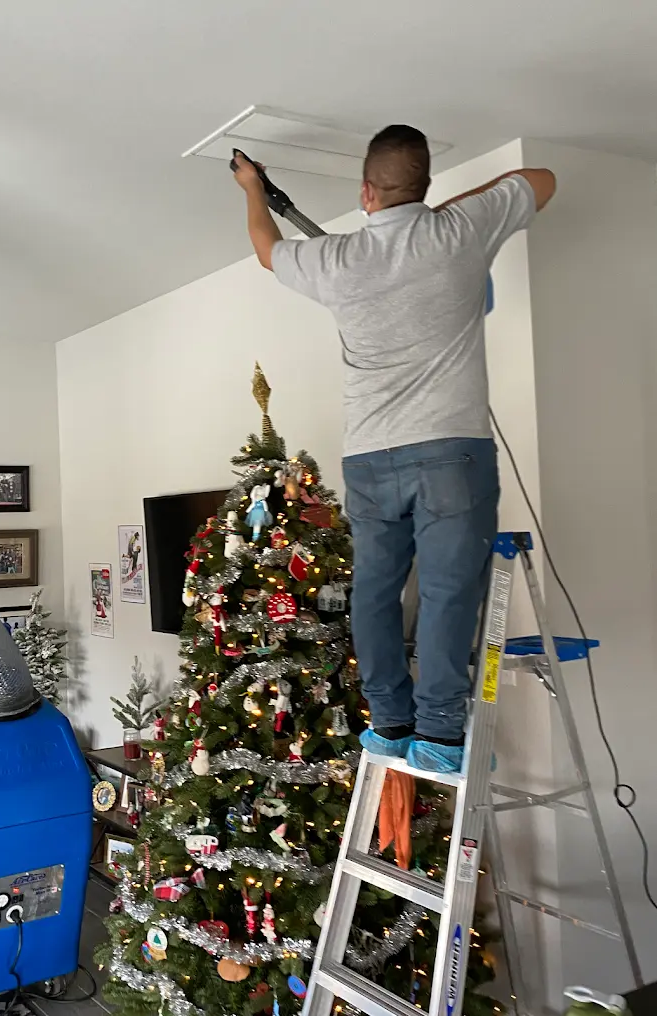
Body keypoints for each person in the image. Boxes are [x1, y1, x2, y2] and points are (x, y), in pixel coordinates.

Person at [232, 126, 556, 773]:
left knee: (374, 592)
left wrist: (251, 190)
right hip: (451, 455)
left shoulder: (342, 258)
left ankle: (389, 720)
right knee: (446, 592)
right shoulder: (459, 231)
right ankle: (438, 733)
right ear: (426, 186)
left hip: (372, 459)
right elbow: (543, 181)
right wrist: (450, 211)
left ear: (365, 192)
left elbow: (268, 248)